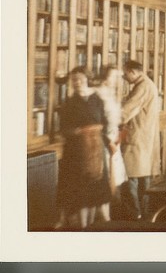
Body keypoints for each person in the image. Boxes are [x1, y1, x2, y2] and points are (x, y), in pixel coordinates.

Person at [56, 67, 112, 229]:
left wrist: (101, 139)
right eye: (74, 80)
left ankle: (98, 225)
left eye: (80, 79)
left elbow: (105, 123)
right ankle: (82, 227)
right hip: (75, 152)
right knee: (79, 192)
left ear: (87, 79)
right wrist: (78, 132)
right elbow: (64, 128)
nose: (77, 83)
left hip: (95, 151)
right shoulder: (70, 103)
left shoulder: (97, 99)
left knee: (97, 190)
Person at [120, 60, 161, 220]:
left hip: (137, 138)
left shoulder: (142, 86)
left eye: (125, 73)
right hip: (144, 138)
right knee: (144, 178)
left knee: (130, 176)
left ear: (133, 72)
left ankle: (134, 215)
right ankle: (144, 214)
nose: (124, 76)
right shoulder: (148, 84)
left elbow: (127, 110)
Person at [94, 66, 127, 221]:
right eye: (113, 77)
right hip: (103, 143)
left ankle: (110, 217)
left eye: (117, 78)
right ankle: (104, 219)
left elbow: (116, 119)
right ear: (104, 77)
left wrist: (119, 136)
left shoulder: (111, 94)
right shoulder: (98, 94)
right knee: (106, 179)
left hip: (114, 140)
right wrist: (109, 142)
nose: (116, 81)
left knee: (114, 179)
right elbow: (97, 123)